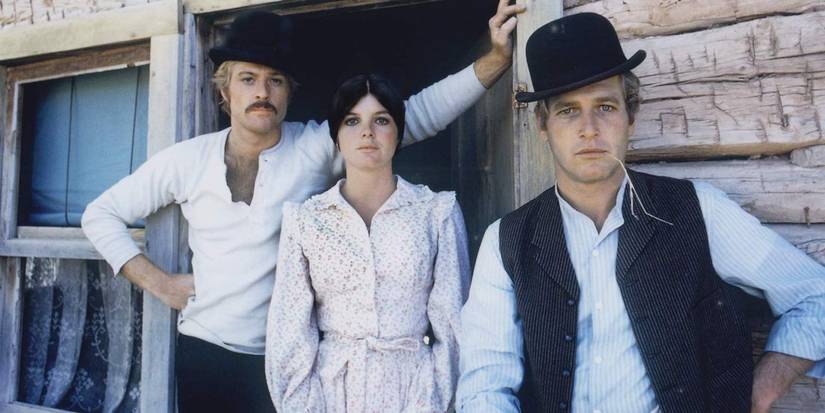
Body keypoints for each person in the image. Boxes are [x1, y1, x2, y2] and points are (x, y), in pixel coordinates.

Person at [81, 2, 524, 411]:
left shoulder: (315, 146)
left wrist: (496, 60)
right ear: (224, 91)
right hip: (205, 353)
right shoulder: (186, 160)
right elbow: (100, 215)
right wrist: (160, 284)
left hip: (290, 364)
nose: (262, 91)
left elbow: (416, 115)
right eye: (248, 79)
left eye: (275, 80)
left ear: (289, 92)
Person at [456, 12, 825, 413]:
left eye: (605, 106)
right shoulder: (506, 241)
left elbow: (816, 296)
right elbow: (485, 388)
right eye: (567, 110)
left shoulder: (697, 210)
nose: (589, 128)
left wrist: (758, 392)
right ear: (542, 125)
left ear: (630, 116)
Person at [266, 73, 469, 412]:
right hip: (331, 393)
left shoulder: (436, 211)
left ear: (397, 132)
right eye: (352, 121)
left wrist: (434, 401)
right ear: (336, 136)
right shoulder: (306, 219)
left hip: (416, 389)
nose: (367, 132)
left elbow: (454, 326)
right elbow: (290, 332)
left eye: (381, 120)